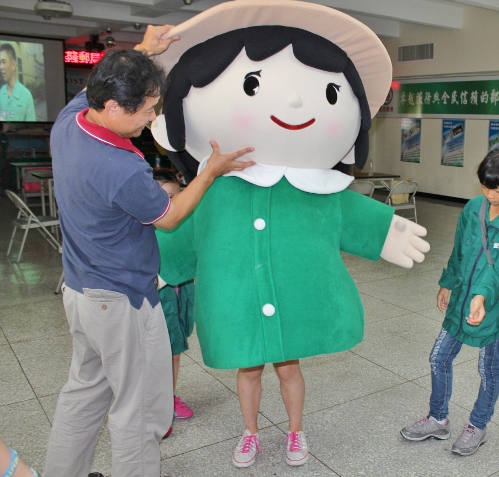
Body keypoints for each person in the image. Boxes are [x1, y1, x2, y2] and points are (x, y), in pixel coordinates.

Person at [151, 1, 428, 470]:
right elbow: (183, 228)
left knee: (289, 366)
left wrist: (386, 231)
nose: (296, 104)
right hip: (241, 300)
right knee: (248, 367)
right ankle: (251, 433)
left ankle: (296, 433)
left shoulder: (314, 188)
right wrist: (158, 267)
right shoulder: (215, 191)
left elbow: (345, 212)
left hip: (294, 299)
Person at [43, 25, 254, 477]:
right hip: (121, 302)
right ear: (114, 107)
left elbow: (98, 82)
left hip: (80, 293)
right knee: (140, 414)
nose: (151, 118)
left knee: (83, 394)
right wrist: (209, 172)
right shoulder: (119, 166)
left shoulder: (69, 122)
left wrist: (142, 51)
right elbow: (172, 216)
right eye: (146, 110)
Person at [401, 148, 499, 456]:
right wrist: (447, 283)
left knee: (488, 368)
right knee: (438, 357)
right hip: (462, 298)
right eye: (485, 186)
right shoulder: (473, 208)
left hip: (493, 307)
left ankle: (478, 424)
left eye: (497, 189)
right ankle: (438, 417)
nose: (488, 194)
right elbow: (459, 250)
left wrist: (482, 297)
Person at [153, 168, 195, 420]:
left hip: (182, 293)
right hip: (157, 296)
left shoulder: (184, 223)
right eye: (165, 197)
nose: (173, 204)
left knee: (174, 351)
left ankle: (168, 395)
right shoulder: (142, 227)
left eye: (175, 196)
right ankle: (154, 401)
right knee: (155, 352)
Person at [0, 44, 35, 121]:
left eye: (4, 62)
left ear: (13, 64)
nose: (1, 67)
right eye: (0, 63)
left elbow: (31, 129)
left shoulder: (26, 95)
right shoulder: (0, 93)